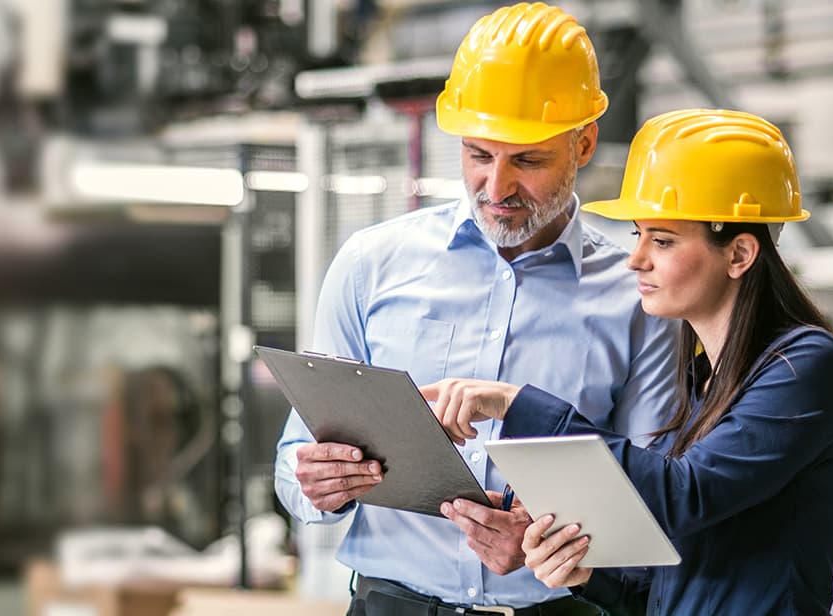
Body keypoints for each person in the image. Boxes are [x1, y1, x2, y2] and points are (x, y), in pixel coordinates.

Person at [273, 3, 679, 615]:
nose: (496, 188)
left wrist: (553, 541)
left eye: (528, 160)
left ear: (584, 143)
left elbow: (653, 494)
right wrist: (317, 486)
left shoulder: (638, 294)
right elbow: (293, 463)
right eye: (478, 155)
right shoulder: (371, 264)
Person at [424, 108, 833, 615]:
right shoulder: (706, 383)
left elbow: (683, 496)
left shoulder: (806, 368)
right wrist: (586, 574)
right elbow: (664, 591)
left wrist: (516, 404)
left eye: (662, 240)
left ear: (739, 255)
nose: (636, 259)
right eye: (637, 235)